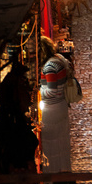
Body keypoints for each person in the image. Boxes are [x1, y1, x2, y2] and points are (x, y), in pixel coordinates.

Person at [39, 36, 72, 173]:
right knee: (61, 143)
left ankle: (52, 175)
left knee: (50, 144)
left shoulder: (50, 67)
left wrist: (41, 93)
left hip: (52, 109)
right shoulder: (59, 60)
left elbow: (52, 90)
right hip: (62, 106)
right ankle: (64, 172)